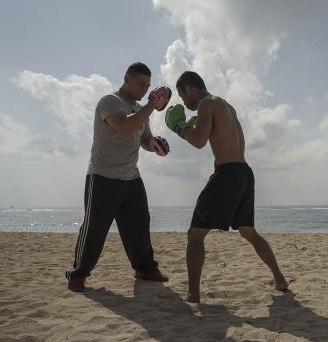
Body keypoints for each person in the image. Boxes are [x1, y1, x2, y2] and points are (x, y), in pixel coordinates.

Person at [165, 71, 290, 303]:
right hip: (244, 172)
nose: (184, 102)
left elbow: (199, 141)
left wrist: (179, 127)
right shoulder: (226, 106)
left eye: (182, 96)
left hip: (227, 173)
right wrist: (194, 125)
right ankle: (280, 279)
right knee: (248, 231)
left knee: (194, 235)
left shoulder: (205, 103)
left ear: (188, 88)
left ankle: (193, 295)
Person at [66, 62, 172, 292]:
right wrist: (152, 105)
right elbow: (124, 125)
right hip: (103, 175)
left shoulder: (142, 108)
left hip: (131, 177)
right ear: (127, 78)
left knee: (139, 225)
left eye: (148, 86)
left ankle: (144, 268)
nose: (144, 89)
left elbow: (144, 138)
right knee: (95, 228)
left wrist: (153, 145)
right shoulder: (110, 101)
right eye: (141, 84)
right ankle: (78, 274)